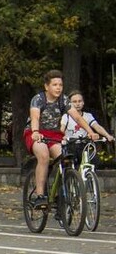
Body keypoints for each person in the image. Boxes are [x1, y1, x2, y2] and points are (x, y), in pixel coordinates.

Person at [25, 70, 96, 206]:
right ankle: (40, 195)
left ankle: (60, 195)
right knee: (44, 156)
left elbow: (77, 117)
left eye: (60, 85)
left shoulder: (63, 100)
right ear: (47, 86)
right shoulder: (38, 99)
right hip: (35, 133)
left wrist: (90, 131)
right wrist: (35, 131)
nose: (58, 88)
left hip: (53, 135)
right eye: (55, 84)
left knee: (66, 158)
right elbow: (35, 117)